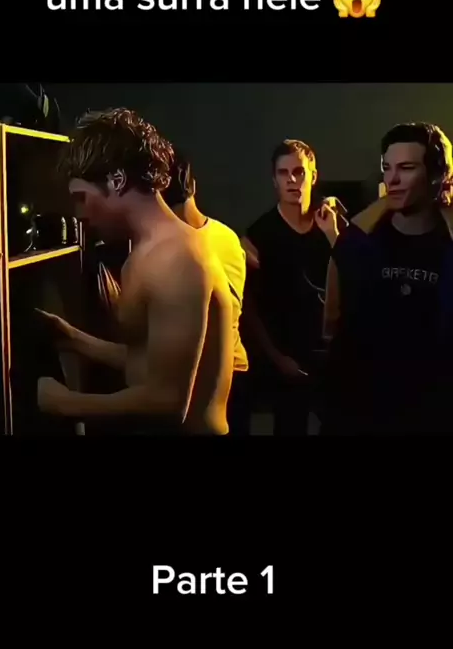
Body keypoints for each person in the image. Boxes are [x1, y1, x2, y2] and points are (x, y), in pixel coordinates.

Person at [37, 108, 234, 435]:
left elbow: (168, 402)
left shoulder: (177, 258)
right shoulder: (146, 252)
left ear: (116, 181)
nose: (79, 214)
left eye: (81, 198)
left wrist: (65, 403)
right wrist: (73, 338)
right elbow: (148, 363)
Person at [324, 122, 453, 434]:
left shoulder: (446, 248)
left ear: (437, 175)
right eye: (387, 168)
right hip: (361, 411)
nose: (392, 179)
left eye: (406, 168)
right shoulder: (360, 244)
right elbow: (334, 325)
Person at [241, 139, 344, 435]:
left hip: (330, 355)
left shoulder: (330, 223)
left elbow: (355, 279)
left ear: (313, 175)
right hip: (286, 358)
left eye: (299, 172)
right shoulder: (260, 235)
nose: (292, 180)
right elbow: (249, 307)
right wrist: (276, 358)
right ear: (274, 179)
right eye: (283, 173)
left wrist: (335, 236)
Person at [162, 152, 249, 434]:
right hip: (236, 368)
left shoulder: (172, 248)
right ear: (194, 186)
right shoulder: (229, 236)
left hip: (204, 380)